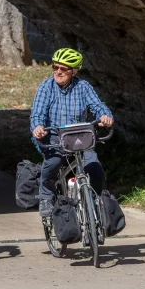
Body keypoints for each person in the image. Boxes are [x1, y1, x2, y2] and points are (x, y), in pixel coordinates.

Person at [30, 48, 114, 218]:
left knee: (95, 167)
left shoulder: (83, 87)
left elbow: (98, 106)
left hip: (79, 137)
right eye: (55, 67)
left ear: (74, 71)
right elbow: (37, 114)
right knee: (53, 163)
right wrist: (38, 127)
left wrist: (105, 116)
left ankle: (96, 203)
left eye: (64, 69)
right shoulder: (46, 87)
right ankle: (46, 197)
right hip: (53, 137)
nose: (58, 72)